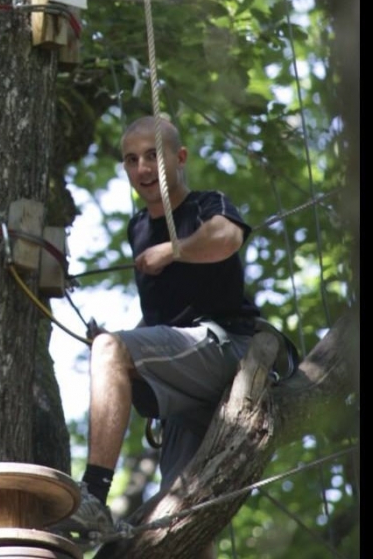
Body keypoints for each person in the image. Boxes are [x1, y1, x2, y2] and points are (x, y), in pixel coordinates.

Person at [53, 115, 260, 555]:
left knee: (113, 349)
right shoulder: (138, 229)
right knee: (183, 516)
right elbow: (165, 316)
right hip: (186, 380)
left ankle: (92, 495)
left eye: (152, 156)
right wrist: (115, 346)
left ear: (179, 158)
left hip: (226, 347)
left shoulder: (206, 205)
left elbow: (226, 239)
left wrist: (175, 249)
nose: (143, 169)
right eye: (132, 160)